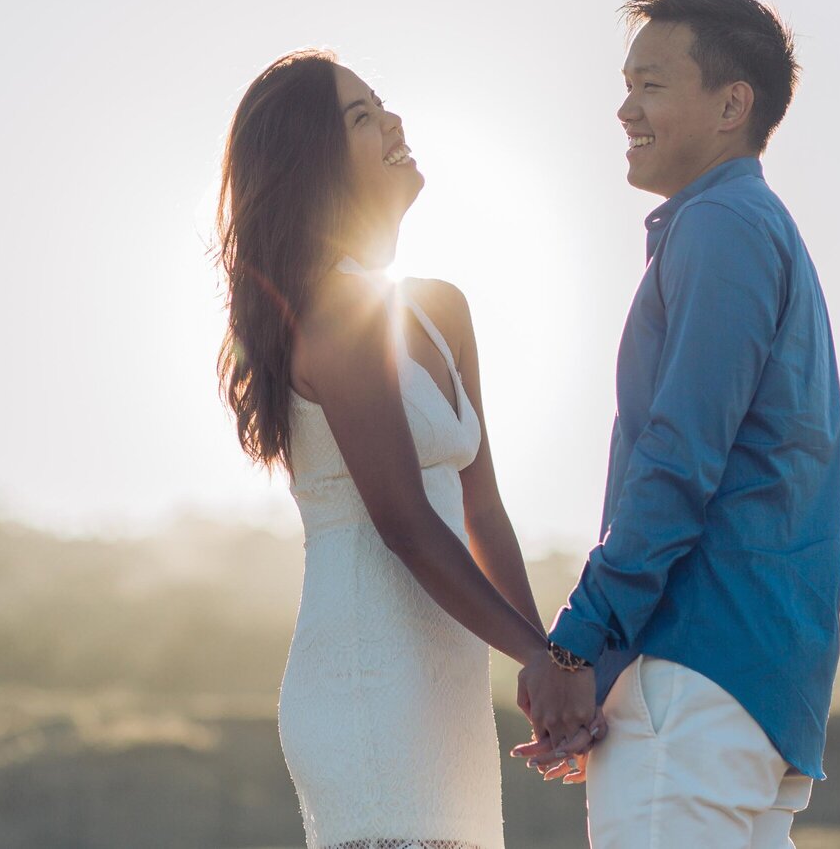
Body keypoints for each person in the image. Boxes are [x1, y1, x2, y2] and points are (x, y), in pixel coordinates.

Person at [214, 49, 594, 849]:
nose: (394, 122)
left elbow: (481, 508)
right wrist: (539, 656)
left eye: (384, 104)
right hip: (366, 685)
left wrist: (546, 673)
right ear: (314, 161)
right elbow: (404, 520)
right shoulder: (332, 312)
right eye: (362, 116)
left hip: (445, 691)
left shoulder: (440, 309)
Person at [512, 0, 840, 848]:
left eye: (652, 83)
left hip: (698, 684)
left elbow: (677, 460)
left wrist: (579, 647)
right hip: (750, 693)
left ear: (732, 103)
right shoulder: (754, 226)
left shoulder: (724, 225)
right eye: (627, 83)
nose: (625, 107)